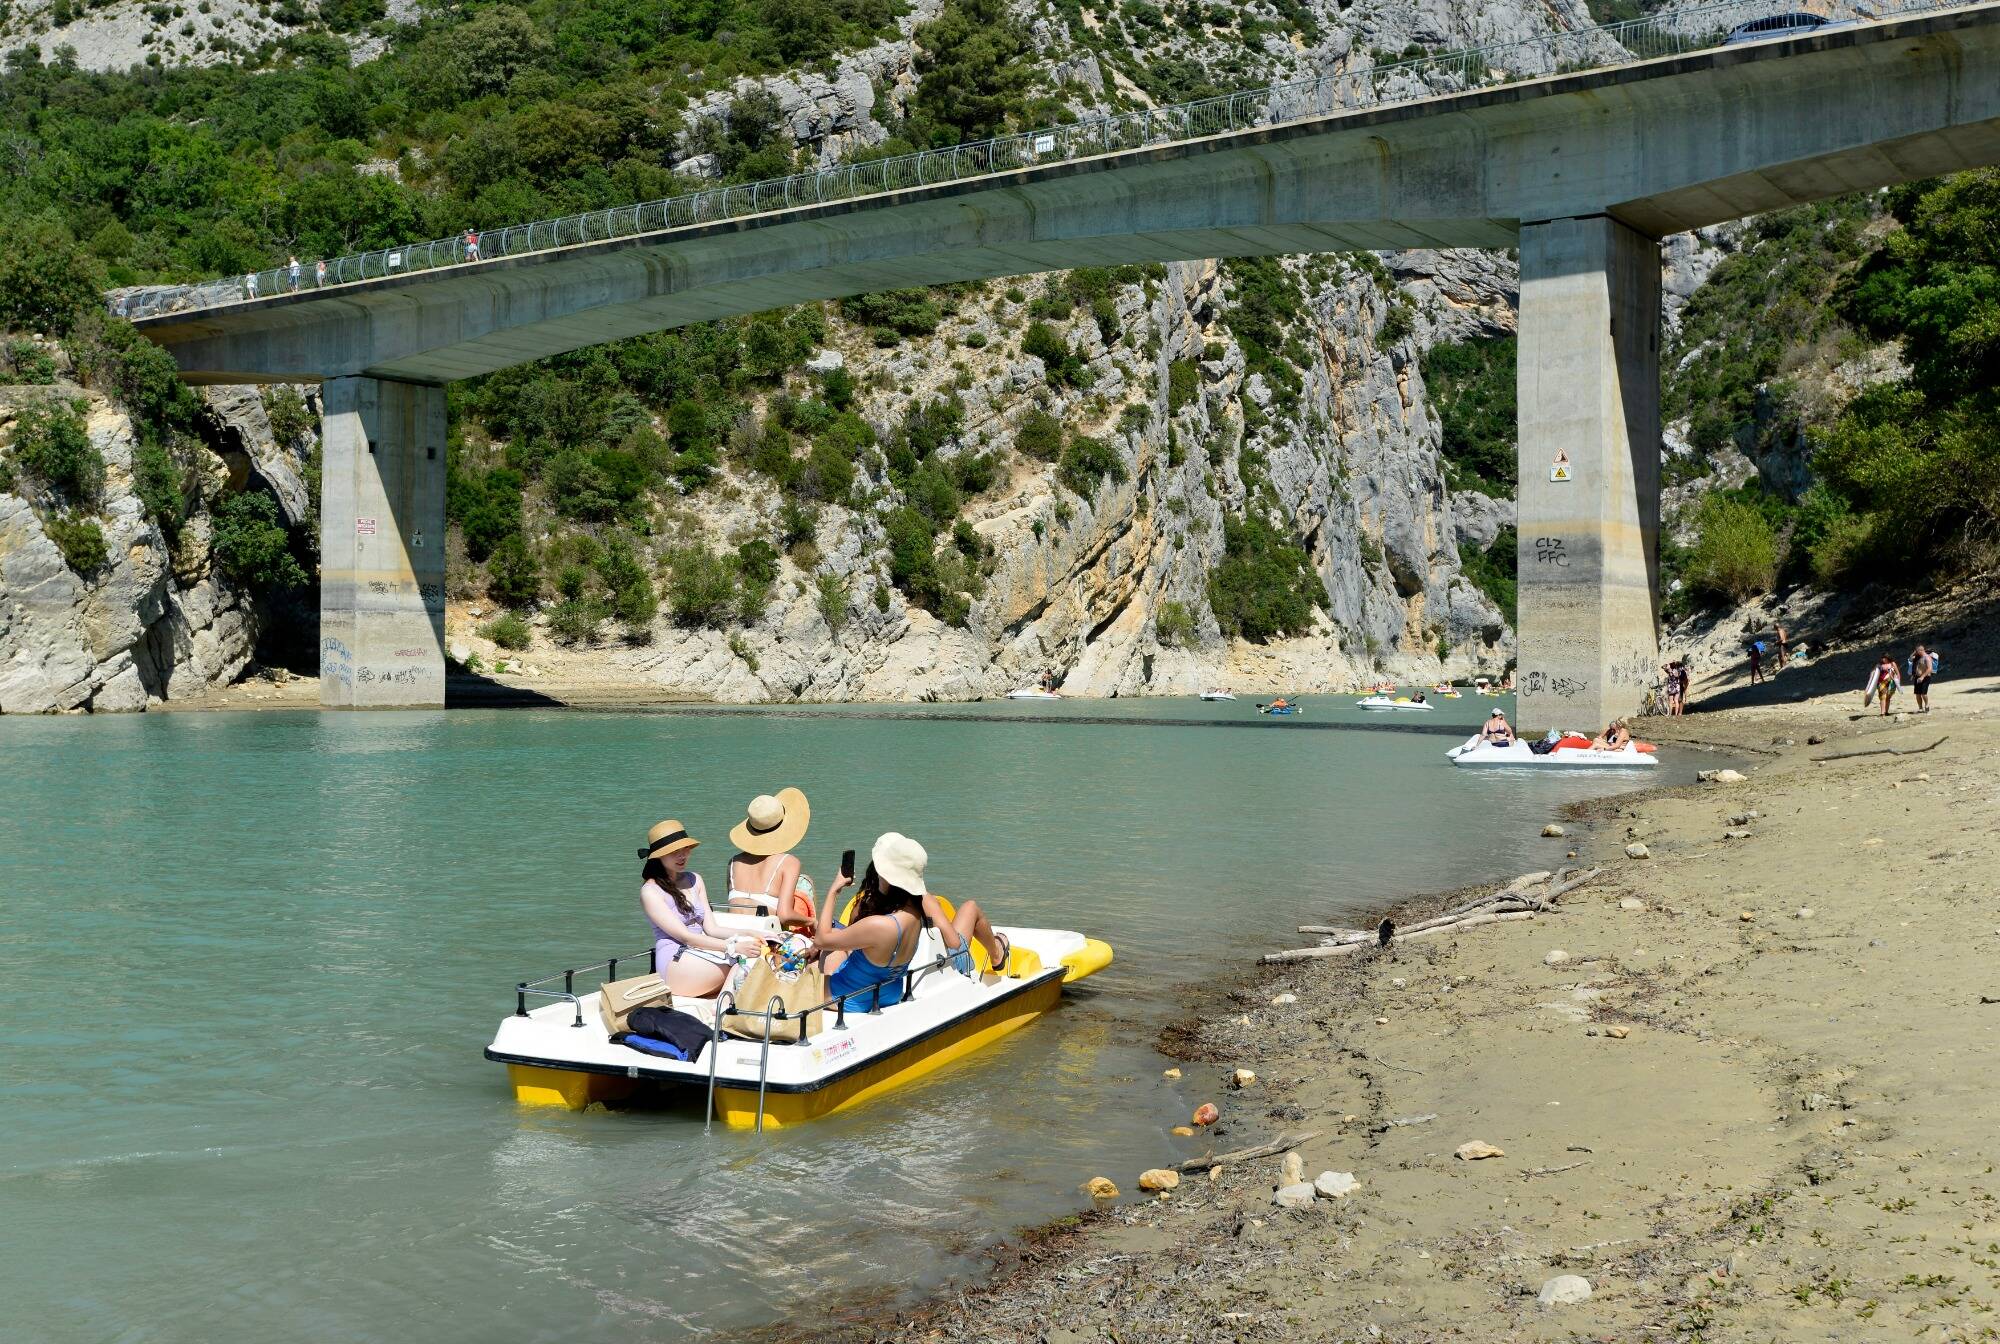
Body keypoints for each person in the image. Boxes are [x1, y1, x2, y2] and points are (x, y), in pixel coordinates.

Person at [638, 819, 757, 997]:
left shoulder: (695, 879)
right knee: (744, 962)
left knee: (758, 956)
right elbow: (687, 938)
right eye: (674, 852)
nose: (682, 855)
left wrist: (752, 934)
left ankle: (724, 1006)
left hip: (700, 953)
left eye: (685, 849)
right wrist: (734, 948)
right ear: (658, 856)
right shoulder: (650, 891)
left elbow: (712, 928)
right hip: (675, 962)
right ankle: (722, 1009)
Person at [814, 835, 931, 1012]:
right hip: (889, 993)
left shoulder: (880, 925)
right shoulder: (915, 914)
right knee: (833, 954)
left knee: (790, 982)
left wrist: (834, 891)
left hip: (849, 996)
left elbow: (821, 940)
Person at [725, 788, 814, 926]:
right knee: (805, 884)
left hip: (731, 936)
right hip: (763, 941)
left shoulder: (733, 863)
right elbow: (785, 915)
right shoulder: (789, 862)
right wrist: (812, 922)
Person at [1910, 644, 1937, 712]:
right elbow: (1910, 659)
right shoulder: (1917, 657)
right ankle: (1920, 708)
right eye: (1915, 651)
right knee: (1917, 694)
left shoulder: (1927, 657)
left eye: (1917, 651)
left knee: (1923, 693)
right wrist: (1914, 652)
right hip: (1917, 677)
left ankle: (1927, 705)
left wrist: (1922, 677)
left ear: (1921, 650)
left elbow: (1929, 669)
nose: (1916, 652)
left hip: (1925, 677)